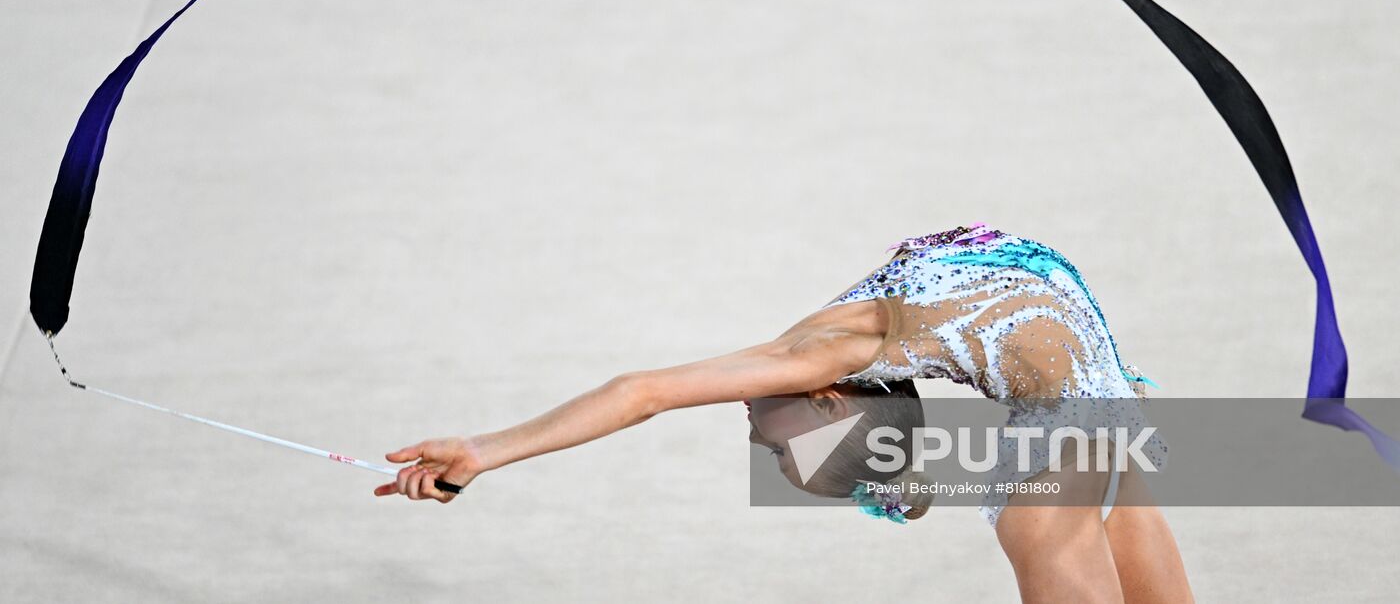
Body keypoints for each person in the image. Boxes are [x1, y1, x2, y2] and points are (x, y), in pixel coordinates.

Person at [374, 224, 1193, 602]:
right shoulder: (823, 355)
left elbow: (642, 391)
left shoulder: (809, 356)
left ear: (831, 398)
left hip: (1085, 392)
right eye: (779, 454)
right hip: (1097, 380)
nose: (757, 438)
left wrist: (483, 449)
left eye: (777, 454)